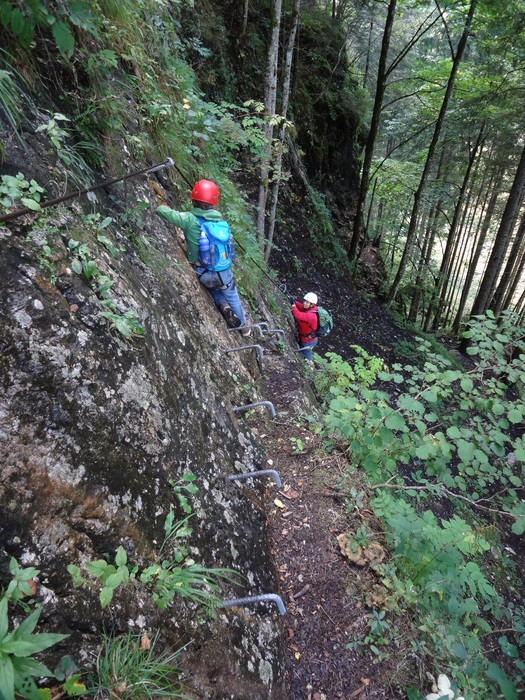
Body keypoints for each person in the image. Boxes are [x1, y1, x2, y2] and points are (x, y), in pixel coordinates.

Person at [156, 179, 250, 336]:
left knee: (213, 288)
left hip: (203, 272)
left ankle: (221, 305)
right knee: (232, 296)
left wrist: (163, 206)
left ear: (193, 200)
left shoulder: (189, 219)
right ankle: (244, 327)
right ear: (214, 204)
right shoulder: (220, 223)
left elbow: (162, 211)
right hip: (224, 271)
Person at [291, 292, 319, 361]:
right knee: (304, 349)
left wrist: (293, 305)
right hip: (307, 338)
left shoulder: (311, 316)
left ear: (312, 304)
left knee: (307, 354)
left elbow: (297, 314)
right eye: (304, 301)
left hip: (308, 341)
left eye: (307, 302)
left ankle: (310, 368)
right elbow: (301, 306)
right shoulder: (310, 309)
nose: (304, 303)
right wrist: (294, 301)